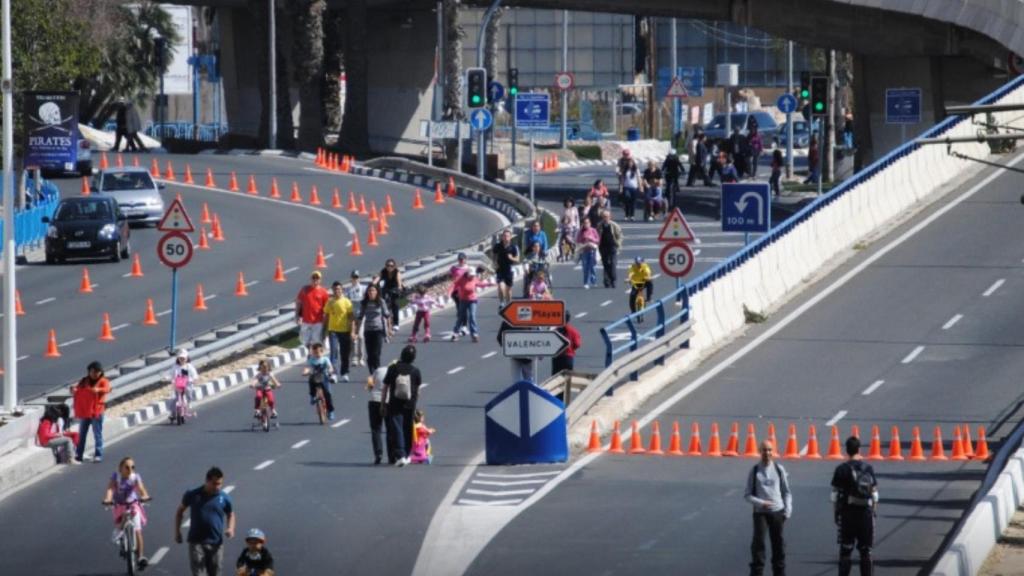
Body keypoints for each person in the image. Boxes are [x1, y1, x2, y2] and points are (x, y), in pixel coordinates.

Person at [175, 466, 236, 576]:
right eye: (214, 483)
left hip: (216, 542)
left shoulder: (224, 498)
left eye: (220, 483)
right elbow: (180, 511)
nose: (217, 487)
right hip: (196, 541)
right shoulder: (193, 494)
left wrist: (230, 528)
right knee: (199, 573)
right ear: (207, 481)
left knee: (216, 573)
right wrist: (177, 532)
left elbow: (230, 514)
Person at [832, 436, 878, 576]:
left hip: (848, 514)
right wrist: (873, 512)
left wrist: (836, 513)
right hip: (865, 514)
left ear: (847, 450)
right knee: (866, 551)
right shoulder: (868, 468)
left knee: (846, 550)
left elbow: (834, 495)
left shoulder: (841, 469)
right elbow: (875, 494)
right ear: (859, 449)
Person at [744, 440, 792, 576]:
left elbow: (786, 492)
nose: (767, 453)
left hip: (778, 512)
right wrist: (761, 503)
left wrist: (787, 511)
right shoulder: (754, 471)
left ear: (774, 452)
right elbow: (747, 495)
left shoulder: (779, 469)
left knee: (778, 545)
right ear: (760, 452)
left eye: (770, 450)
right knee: (758, 545)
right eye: (764, 450)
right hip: (760, 513)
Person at [103, 456, 152, 568]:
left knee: (138, 530)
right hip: (120, 506)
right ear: (120, 468)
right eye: (127, 467)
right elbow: (110, 489)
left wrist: (144, 496)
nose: (130, 470)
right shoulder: (116, 477)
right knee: (120, 526)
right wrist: (108, 499)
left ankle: (140, 557)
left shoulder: (135, 477)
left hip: (132, 505)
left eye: (132, 467)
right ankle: (120, 535)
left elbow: (141, 488)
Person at [383, 345, 423, 467]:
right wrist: (415, 404)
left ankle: (400, 454)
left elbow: (385, 387)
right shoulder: (415, 371)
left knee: (397, 428)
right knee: (407, 428)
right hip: (410, 404)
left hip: (394, 402)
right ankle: (406, 454)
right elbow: (418, 390)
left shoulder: (393, 369)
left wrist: (383, 403)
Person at [71, 360, 110, 463]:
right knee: (82, 434)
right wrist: (74, 390)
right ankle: (79, 455)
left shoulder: (103, 381)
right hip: (85, 412)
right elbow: (78, 389)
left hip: (97, 412)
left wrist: (98, 390)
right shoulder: (84, 381)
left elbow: (107, 389)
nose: (95, 374)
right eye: (93, 371)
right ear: (89, 371)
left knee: (97, 434)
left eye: (97, 372)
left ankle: (98, 454)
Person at [323, 281, 355, 382]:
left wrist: (352, 331)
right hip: (333, 331)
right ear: (333, 290)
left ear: (342, 290)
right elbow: (326, 316)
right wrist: (324, 331)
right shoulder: (330, 302)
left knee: (344, 353)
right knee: (334, 352)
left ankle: (344, 372)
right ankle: (334, 373)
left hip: (345, 331)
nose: (337, 291)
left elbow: (351, 318)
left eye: (339, 289)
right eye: (336, 289)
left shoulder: (347, 302)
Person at [356, 284, 392, 373]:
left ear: (377, 292)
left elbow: (387, 315)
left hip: (378, 330)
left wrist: (389, 329)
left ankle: (378, 372)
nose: (371, 292)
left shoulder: (381, 301)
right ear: (367, 293)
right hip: (368, 330)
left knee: (376, 354)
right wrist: (356, 331)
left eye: (373, 291)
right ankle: (372, 373)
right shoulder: (364, 303)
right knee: (370, 355)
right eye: (369, 291)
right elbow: (360, 317)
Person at [295, 271, 330, 351]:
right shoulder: (304, 289)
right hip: (306, 320)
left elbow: (327, 308)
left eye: (317, 278)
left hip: (318, 321)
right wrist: (297, 315)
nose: (315, 280)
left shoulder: (323, 292)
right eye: (313, 278)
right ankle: (310, 351)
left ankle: (313, 355)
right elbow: (299, 302)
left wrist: (325, 320)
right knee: (303, 340)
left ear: (320, 280)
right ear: (310, 279)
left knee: (316, 341)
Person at [303, 342, 336, 420]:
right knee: (311, 381)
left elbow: (330, 367)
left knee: (328, 394)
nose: (316, 354)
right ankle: (312, 396)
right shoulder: (311, 360)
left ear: (322, 352)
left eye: (318, 352)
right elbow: (307, 367)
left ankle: (330, 411)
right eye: (314, 353)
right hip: (315, 376)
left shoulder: (325, 359)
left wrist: (330, 371)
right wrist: (305, 372)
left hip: (324, 376)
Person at [451, 267, 481, 342]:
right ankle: (455, 333)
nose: (472, 276)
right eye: (470, 275)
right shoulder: (461, 278)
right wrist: (450, 293)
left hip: (472, 300)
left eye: (473, 275)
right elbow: (454, 285)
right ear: (467, 274)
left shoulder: (474, 278)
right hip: (463, 300)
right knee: (461, 317)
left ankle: (474, 334)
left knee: (472, 316)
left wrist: (490, 284)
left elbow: (480, 284)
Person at [169, 348, 199, 422]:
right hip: (178, 386)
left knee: (189, 394)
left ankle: (188, 404)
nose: (182, 359)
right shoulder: (175, 366)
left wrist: (194, 379)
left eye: (183, 358)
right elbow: (171, 374)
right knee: (175, 399)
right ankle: (173, 413)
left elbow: (195, 375)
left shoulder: (189, 366)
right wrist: (168, 378)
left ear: (187, 358)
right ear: (178, 358)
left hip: (187, 385)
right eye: (180, 358)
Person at [366, 366, 389, 465]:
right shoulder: (396, 372)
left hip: (374, 400)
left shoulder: (379, 370)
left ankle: (378, 453)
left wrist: (371, 388)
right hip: (389, 402)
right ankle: (392, 455)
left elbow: (370, 383)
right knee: (391, 429)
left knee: (376, 429)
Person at [492, 230, 520, 308]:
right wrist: (494, 263)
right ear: (502, 237)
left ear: (510, 237)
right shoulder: (498, 246)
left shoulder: (514, 247)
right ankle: (501, 303)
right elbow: (493, 255)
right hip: (500, 269)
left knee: (508, 289)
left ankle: (509, 303)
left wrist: (512, 258)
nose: (506, 237)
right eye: (504, 236)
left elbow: (518, 259)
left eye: (507, 236)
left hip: (509, 270)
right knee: (501, 287)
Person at [344, 271, 366, 367]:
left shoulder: (363, 288)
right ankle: (354, 357)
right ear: (351, 278)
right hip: (352, 317)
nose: (355, 279)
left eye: (356, 277)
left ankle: (361, 357)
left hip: (361, 316)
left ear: (359, 278)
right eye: (353, 277)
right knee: (352, 337)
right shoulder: (348, 290)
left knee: (360, 336)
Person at [598, 210, 623, 289]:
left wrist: (618, 244)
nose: (605, 218)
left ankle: (613, 280)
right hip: (603, 247)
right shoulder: (600, 225)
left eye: (607, 216)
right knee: (605, 264)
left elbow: (619, 235)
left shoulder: (614, 225)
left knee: (612, 263)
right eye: (604, 217)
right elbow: (596, 235)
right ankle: (606, 281)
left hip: (612, 246)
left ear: (610, 217)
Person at [378, 258, 404, 330]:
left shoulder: (397, 272)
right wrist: (373, 284)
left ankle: (396, 323)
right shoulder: (383, 271)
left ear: (394, 266)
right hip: (386, 289)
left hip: (394, 289)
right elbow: (378, 278)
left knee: (395, 306)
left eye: (391, 266)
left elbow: (399, 281)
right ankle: (382, 321)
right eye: (388, 265)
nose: (389, 267)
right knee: (382, 303)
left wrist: (399, 287)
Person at [448, 253, 470, 335]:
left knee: (463, 309)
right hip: (456, 291)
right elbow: (450, 276)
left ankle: (464, 326)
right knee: (459, 309)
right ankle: (462, 325)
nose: (461, 261)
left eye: (462, 259)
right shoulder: (454, 268)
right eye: (459, 259)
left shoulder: (468, 268)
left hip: (465, 291)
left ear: (465, 259)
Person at [576, 217, 600, 289]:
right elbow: (577, 240)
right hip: (584, 251)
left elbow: (598, 240)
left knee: (592, 266)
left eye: (587, 223)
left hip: (592, 250)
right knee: (585, 267)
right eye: (585, 223)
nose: (586, 224)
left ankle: (593, 280)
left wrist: (591, 239)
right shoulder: (581, 231)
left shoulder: (593, 230)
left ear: (590, 223)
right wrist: (583, 240)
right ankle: (586, 282)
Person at [618, 153, 641, 221]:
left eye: (631, 163)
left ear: (633, 163)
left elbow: (639, 178)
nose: (630, 164)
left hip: (634, 187)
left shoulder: (636, 170)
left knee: (633, 202)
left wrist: (640, 187)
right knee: (627, 200)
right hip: (626, 187)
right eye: (629, 163)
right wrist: (621, 188)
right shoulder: (625, 170)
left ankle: (632, 215)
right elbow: (622, 179)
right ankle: (626, 215)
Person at [558, 197, 579, 262]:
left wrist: (577, 226)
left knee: (570, 241)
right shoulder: (564, 209)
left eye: (570, 202)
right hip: (565, 227)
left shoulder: (574, 209)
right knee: (565, 241)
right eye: (567, 202)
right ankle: (566, 254)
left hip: (572, 227)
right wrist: (559, 226)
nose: (568, 203)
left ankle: (572, 251)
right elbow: (561, 219)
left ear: (572, 203)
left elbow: (577, 218)